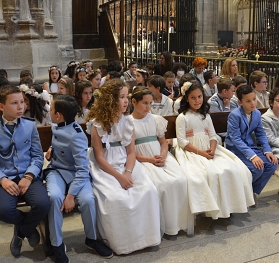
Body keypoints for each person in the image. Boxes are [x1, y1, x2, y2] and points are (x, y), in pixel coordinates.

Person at [86, 79, 161, 254]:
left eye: (126, 96)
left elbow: (131, 152)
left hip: (127, 163)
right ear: (110, 100)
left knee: (147, 191)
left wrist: (127, 172)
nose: (126, 101)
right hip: (105, 166)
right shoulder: (97, 124)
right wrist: (119, 177)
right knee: (115, 198)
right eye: (121, 97)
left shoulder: (128, 121)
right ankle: (122, 243)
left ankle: (145, 238)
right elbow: (98, 156)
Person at [44, 95, 113, 262]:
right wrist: (51, 149)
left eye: (51, 109)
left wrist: (71, 196)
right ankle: (57, 244)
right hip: (57, 171)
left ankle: (91, 238)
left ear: (58, 115)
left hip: (76, 174)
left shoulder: (77, 135)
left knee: (88, 200)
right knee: (54, 197)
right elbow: (59, 141)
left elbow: (82, 169)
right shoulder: (57, 124)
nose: (49, 111)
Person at [174, 81, 254, 219]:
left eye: (199, 97)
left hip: (210, 148)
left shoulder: (206, 115)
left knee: (232, 168)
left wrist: (211, 149)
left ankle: (229, 205)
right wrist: (201, 152)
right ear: (187, 98)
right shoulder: (182, 118)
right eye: (193, 97)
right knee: (207, 173)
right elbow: (181, 141)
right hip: (192, 151)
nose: (197, 100)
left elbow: (212, 135)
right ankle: (209, 208)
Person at [131, 86, 192, 235]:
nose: (148, 107)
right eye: (144, 103)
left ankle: (178, 223)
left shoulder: (156, 119)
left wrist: (163, 156)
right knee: (161, 184)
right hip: (142, 159)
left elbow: (163, 142)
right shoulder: (128, 123)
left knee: (180, 180)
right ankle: (162, 225)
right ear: (133, 102)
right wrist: (149, 159)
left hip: (160, 156)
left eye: (150, 103)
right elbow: (129, 151)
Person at [0, 85, 50, 257]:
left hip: (28, 174)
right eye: (14, 103)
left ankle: (20, 233)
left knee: (43, 203)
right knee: (4, 211)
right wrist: (3, 180)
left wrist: (29, 176)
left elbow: (37, 156)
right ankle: (28, 229)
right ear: (1, 106)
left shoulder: (29, 126)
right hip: (6, 176)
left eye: (22, 102)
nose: (21, 106)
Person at [225, 85, 278, 205]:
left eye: (254, 99)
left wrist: (267, 151)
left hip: (250, 145)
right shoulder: (235, 115)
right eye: (248, 101)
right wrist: (252, 156)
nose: (252, 103)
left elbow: (261, 134)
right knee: (257, 168)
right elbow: (235, 139)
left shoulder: (257, 113)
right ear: (240, 102)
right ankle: (243, 192)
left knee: (272, 165)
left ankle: (251, 191)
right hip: (235, 148)